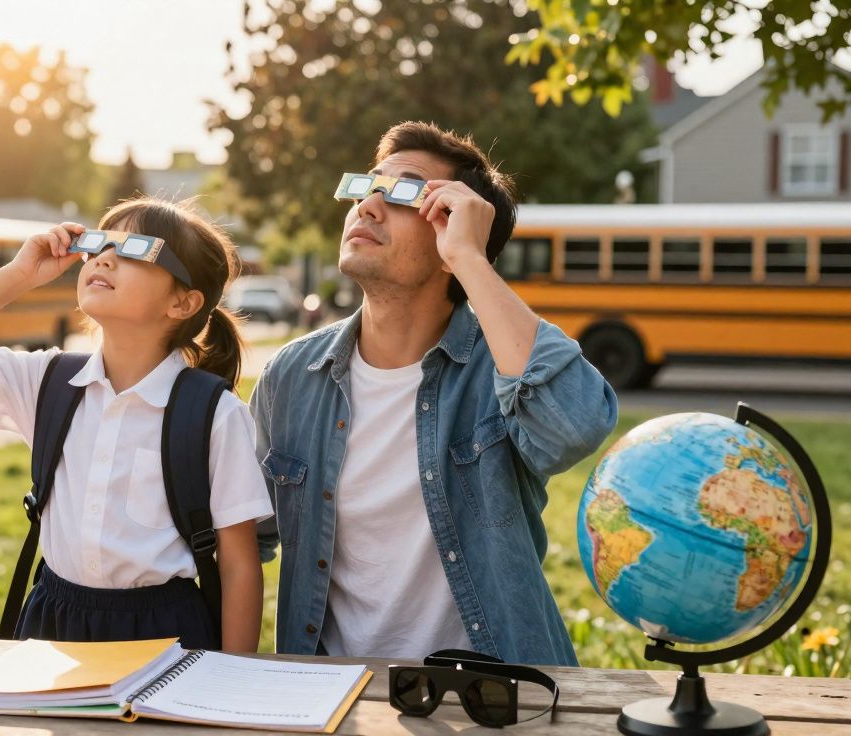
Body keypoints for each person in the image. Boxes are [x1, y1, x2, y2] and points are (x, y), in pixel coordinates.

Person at [251, 121, 618, 665]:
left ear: (456, 230)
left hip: (495, 695)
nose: (368, 207)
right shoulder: (292, 375)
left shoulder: (503, 365)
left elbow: (574, 427)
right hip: (330, 695)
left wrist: (469, 262)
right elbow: (243, 537)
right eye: (366, 186)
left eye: (401, 193)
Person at [0, 197, 271, 651]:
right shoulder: (47, 381)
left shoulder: (216, 414)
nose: (105, 258)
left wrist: (233, 681)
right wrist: (20, 275)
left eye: (135, 250)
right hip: (54, 622)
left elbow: (239, 566)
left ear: (182, 302)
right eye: (98, 246)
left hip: (167, 633)